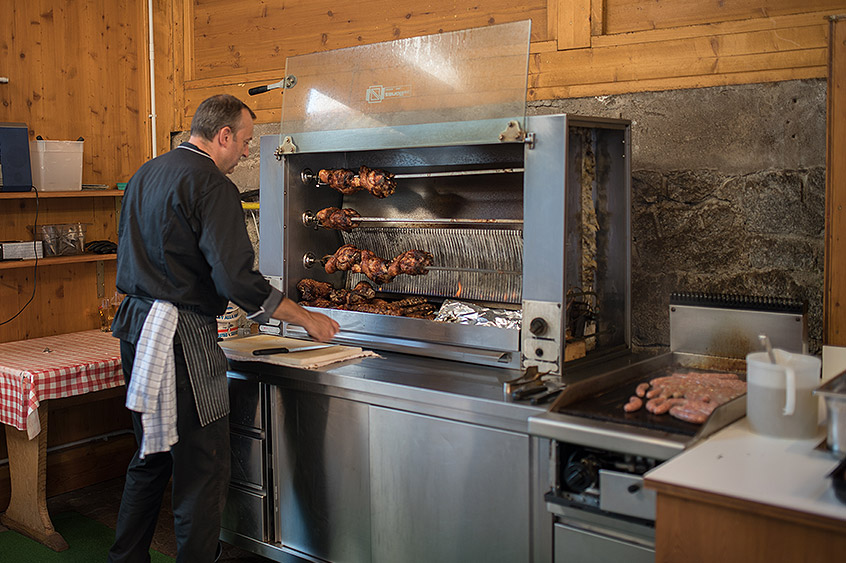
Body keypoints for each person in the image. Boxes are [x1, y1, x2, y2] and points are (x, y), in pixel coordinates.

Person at [107, 94, 339, 563]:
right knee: (201, 467)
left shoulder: (145, 174)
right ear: (224, 135)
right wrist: (307, 318)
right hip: (178, 336)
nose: (247, 154)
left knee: (151, 458)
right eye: (246, 142)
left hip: (135, 329)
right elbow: (235, 279)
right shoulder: (212, 184)